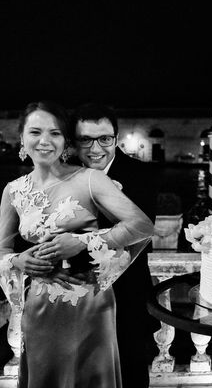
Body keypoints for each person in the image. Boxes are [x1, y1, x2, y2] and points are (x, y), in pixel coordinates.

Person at [0, 100, 154, 387]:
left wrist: (81, 242)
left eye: (55, 133)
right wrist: (19, 261)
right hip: (41, 307)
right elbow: (4, 248)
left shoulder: (98, 178)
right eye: (35, 132)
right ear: (21, 137)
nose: (44, 141)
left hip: (100, 301)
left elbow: (142, 228)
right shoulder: (13, 190)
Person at [72, 102, 160, 388]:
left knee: (131, 376)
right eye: (85, 139)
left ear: (116, 138)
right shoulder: (64, 175)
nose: (95, 149)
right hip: (73, 303)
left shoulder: (143, 175)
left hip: (127, 301)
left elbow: (137, 237)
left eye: (105, 139)